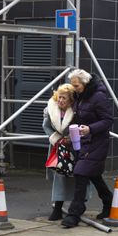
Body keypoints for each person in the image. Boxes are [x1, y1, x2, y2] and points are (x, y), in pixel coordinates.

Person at [61, 69, 113, 228]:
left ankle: (74, 213)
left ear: (85, 83)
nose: (74, 88)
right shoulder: (80, 96)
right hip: (83, 141)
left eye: (76, 85)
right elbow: (77, 116)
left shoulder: (98, 96)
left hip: (97, 141)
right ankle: (109, 201)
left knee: (80, 172)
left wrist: (90, 128)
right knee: (94, 175)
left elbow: (108, 120)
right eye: (73, 85)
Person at [42, 83, 76, 221]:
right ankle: (58, 208)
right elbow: (46, 126)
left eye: (65, 98)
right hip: (57, 147)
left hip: (73, 147)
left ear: (71, 100)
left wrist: (70, 139)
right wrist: (57, 139)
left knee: (74, 177)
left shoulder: (76, 111)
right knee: (59, 177)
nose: (61, 100)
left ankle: (71, 207)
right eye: (59, 97)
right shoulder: (50, 109)